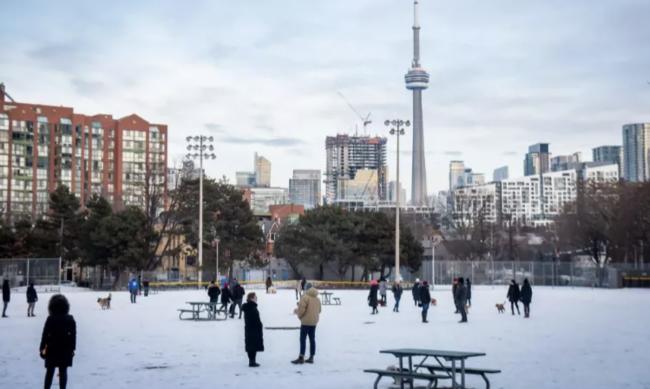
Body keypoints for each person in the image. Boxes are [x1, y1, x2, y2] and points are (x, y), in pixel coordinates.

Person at [40, 294, 76, 389]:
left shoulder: (50, 319)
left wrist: (42, 348)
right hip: (65, 350)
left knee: (49, 372)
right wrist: (72, 349)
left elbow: (44, 335)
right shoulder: (70, 319)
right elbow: (73, 337)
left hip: (52, 349)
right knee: (63, 372)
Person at [291, 283, 321, 364]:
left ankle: (301, 357)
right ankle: (311, 357)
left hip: (305, 322)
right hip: (314, 322)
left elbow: (301, 310)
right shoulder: (317, 299)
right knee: (312, 339)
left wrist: (300, 317)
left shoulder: (305, 297)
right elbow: (319, 310)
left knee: (302, 339)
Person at [242, 292, 264, 367]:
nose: (256, 298)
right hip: (252, 329)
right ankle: (252, 361)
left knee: (252, 345)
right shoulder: (251, 307)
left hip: (250, 329)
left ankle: (252, 361)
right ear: (251, 298)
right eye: (255, 297)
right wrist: (258, 325)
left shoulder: (251, 306)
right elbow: (253, 318)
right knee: (252, 345)